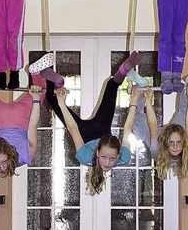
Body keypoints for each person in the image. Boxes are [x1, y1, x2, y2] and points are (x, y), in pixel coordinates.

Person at [41, 52, 140, 195]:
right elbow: (128, 129)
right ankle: (124, 69)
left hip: (86, 131)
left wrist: (62, 103)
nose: (107, 162)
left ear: (97, 153)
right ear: (118, 156)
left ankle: (57, 81)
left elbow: (73, 129)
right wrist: (134, 101)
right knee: (110, 88)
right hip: (100, 128)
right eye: (110, 158)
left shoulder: (86, 157)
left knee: (53, 98)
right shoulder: (123, 158)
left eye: (106, 158)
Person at [0, 52, 53, 186]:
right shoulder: (25, 156)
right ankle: (35, 72)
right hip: (21, 117)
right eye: (4, 167)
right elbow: (32, 126)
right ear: (11, 166)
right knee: (41, 90)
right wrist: (36, 100)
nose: (2, 166)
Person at [132, 85, 188, 180]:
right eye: (171, 142)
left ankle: (139, 95)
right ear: (166, 142)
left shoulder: (156, 148)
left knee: (135, 122)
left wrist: (147, 99)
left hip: (157, 140)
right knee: (185, 111)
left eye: (178, 142)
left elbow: (152, 125)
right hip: (162, 138)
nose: (175, 147)